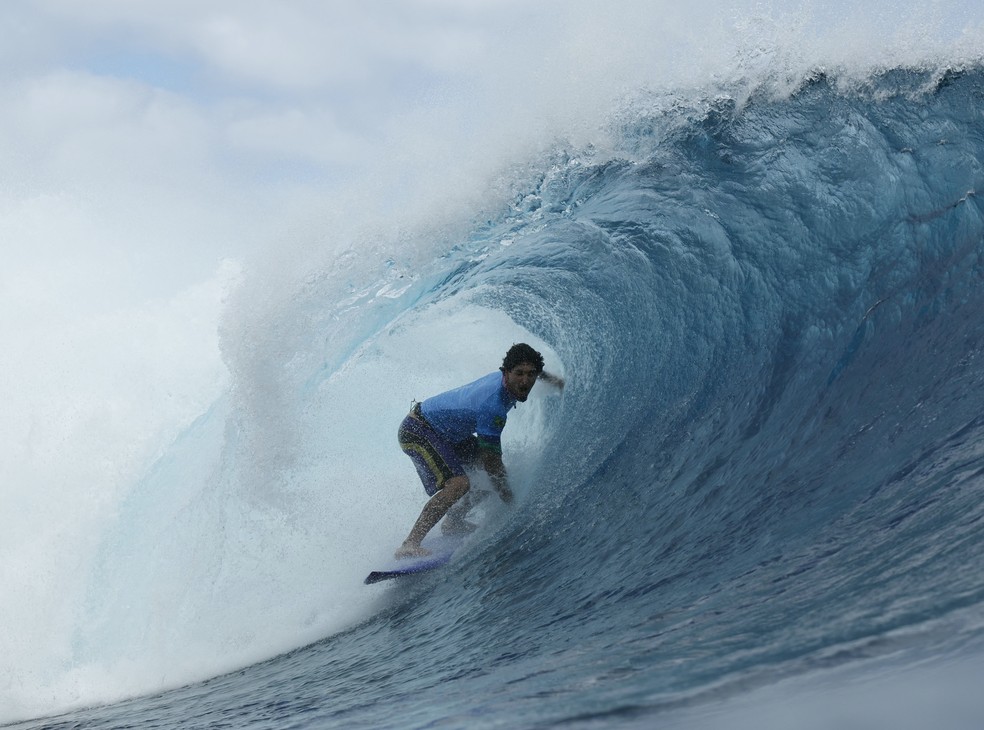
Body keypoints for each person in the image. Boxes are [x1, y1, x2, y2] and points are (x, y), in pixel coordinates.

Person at [395, 343, 564, 558]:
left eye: (531, 374)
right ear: (506, 373)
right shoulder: (492, 406)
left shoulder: (511, 381)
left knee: (491, 476)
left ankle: (454, 522)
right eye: (519, 374)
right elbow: (492, 462)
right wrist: (511, 503)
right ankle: (409, 544)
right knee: (461, 483)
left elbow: (533, 370)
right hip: (418, 430)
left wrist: (557, 382)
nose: (525, 381)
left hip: (449, 435)